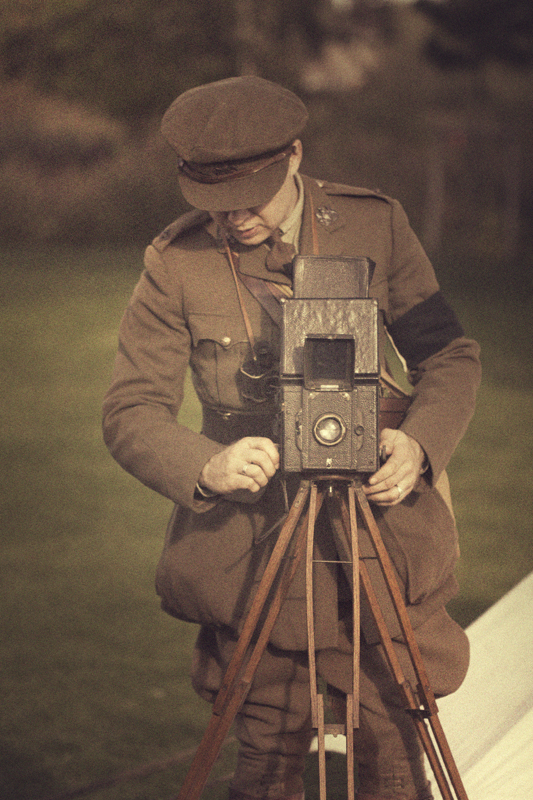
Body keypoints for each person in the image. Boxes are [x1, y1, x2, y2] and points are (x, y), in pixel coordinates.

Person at [102, 76, 481, 800]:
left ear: (294, 157)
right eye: (214, 204)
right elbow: (130, 410)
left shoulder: (374, 225)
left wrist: (420, 446)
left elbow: (449, 356)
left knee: (396, 770)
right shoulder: (174, 263)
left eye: (250, 197)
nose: (234, 219)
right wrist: (207, 464)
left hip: (381, 551)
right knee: (264, 773)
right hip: (255, 563)